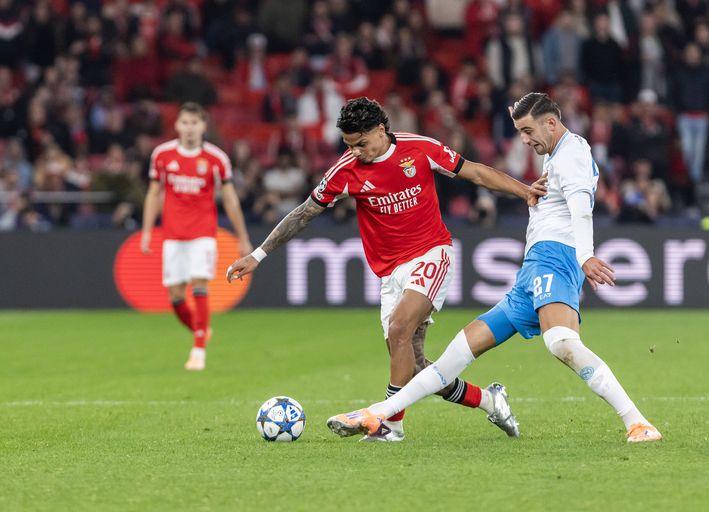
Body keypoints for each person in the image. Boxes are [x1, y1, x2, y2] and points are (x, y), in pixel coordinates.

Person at [327, 93, 662, 444]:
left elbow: (580, 206)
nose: (524, 140)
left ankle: (637, 422)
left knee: (561, 343)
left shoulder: (573, 152)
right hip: (532, 268)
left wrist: (585, 256)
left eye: (528, 130)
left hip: (556, 257)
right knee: (454, 356)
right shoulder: (558, 154)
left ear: (551, 122)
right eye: (519, 131)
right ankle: (378, 416)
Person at [227, 97, 546, 442]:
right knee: (415, 367)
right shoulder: (345, 170)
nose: (357, 153)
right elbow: (304, 213)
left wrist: (524, 190)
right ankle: (489, 400)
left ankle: (389, 426)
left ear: (381, 130)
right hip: (389, 273)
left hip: (431, 254)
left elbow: (476, 172)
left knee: (398, 329)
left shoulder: (419, 149)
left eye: (361, 144)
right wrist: (258, 255)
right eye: (349, 146)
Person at [141, 102, 252, 371]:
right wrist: (146, 231)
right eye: (185, 123)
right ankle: (201, 330)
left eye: (195, 123)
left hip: (203, 233)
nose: (189, 128)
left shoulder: (216, 159)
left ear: (203, 126)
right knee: (176, 297)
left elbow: (229, 199)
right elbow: (154, 193)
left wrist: (243, 237)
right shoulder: (162, 155)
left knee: (200, 286)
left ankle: (198, 351)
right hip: (172, 234)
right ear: (177, 126)